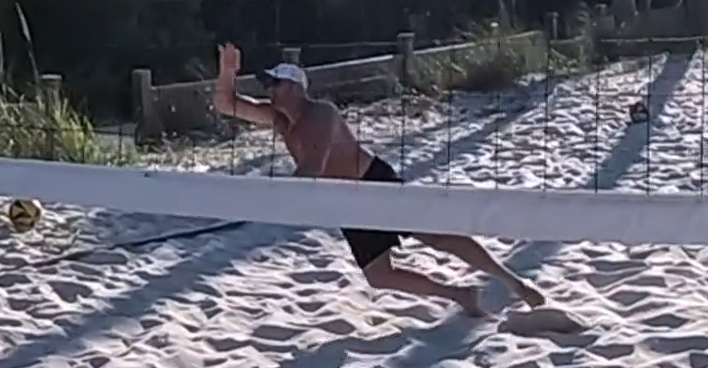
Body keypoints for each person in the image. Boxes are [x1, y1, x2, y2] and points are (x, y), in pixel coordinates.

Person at [213, 43, 543, 317]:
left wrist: (272, 197)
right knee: (379, 275)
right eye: (268, 85)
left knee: (437, 236)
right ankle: (460, 294)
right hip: (345, 202)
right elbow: (226, 104)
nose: (270, 92)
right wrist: (228, 70)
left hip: (373, 183)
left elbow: (314, 165)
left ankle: (514, 282)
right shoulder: (282, 121)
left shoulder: (321, 113)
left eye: (277, 85)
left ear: (297, 88)